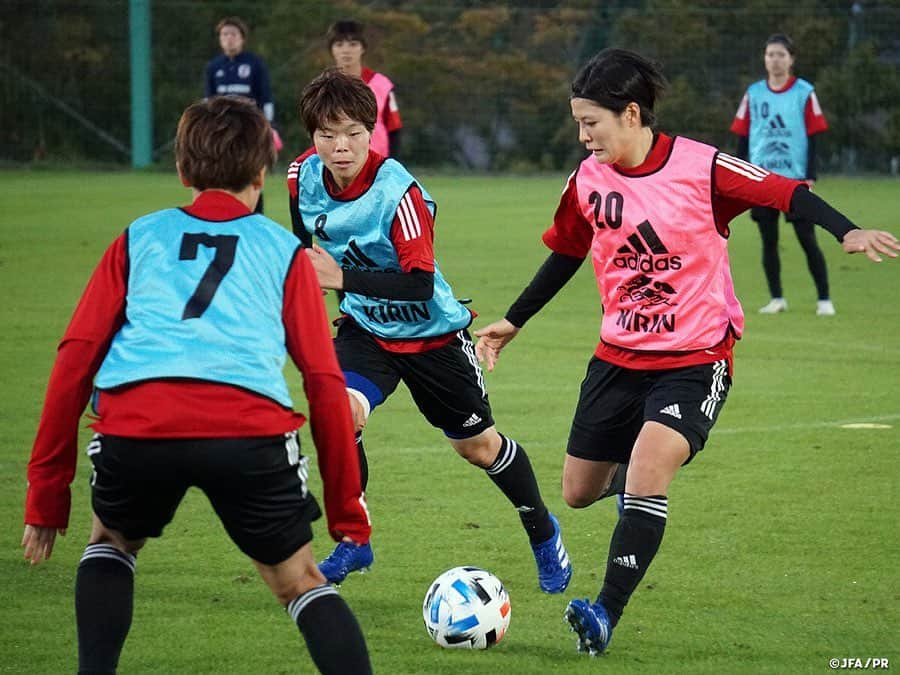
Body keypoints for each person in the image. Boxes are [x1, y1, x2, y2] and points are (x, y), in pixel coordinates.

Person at [474, 48, 898, 657]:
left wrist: (846, 230)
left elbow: (786, 193)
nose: (582, 135)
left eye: (590, 122)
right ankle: (637, 487)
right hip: (617, 357)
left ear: (630, 114)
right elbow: (568, 251)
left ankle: (604, 613)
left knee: (649, 467)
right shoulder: (586, 181)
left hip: (697, 359)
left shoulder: (702, 168)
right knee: (576, 490)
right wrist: (514, 320)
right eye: (577, 122)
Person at [21, 97, 373, 674]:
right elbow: (323, 382)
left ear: (182, 172)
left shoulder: (139, 236)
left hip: (139, 423)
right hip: (248, 431)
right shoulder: (284, 253)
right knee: (299, 583)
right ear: (260, 176)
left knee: (111, 544)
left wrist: (46, 491)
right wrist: (346, 513)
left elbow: (75, 360)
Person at [286, 68, 571, 594]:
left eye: (352, 133)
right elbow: (308, 248)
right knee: (337, 411)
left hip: (433, 337)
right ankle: (354, 539)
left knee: (478, 448)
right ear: (312, 137)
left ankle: (542, 531)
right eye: (327, 135)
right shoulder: (299, 177)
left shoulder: (400, 194)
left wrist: (341, 277)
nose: (340, 146)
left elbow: (418, 285)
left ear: (371, 131)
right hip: (366, 329)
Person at [731, 33, 833, 315]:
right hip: (761, 180)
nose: (775, 60)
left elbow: (813, 137)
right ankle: (777, 298)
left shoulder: (804, 92)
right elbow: (742, 137)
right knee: (768, 241)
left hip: (795, 179)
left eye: (780, 55)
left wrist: (810, 175)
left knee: (807, 238)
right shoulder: (753, 93)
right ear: (764, 59)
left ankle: (824, 299)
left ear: (791, 59)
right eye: (770, 54)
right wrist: (741, 176)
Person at [204, 16, 281, 213]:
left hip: (249, 130)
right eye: (224, 34)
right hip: (222, 131)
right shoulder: (214, 67)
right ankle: (223, 213)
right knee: (222, 174)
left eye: (233, 34)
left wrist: (269, 126)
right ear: (220, 39)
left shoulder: (255, 64)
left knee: (251, 172)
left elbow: (266, 98)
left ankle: (256, 216)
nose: (229, 38)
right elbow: (208, 101)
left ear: (242, 38)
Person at [327, 20, 403, 157]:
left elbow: (394, 128)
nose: (346, 50)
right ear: (332, 49)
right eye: (339, 44)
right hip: (337, 161)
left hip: (376, 161)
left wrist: (392, 165)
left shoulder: (382, 84)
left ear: (363, 48)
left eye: (353, 44)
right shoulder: (323, 87)